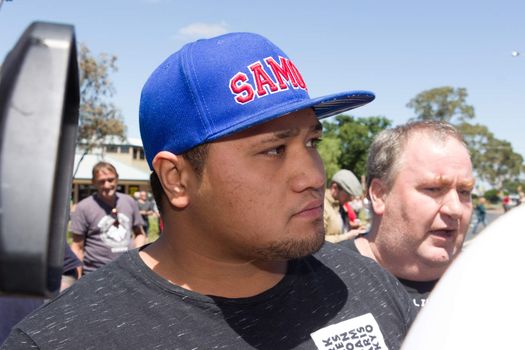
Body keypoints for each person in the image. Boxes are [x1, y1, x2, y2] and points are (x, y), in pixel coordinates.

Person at [2, 32, 416, 349]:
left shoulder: (369, 287)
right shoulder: (66, 338)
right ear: (176, 179)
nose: (312, 174)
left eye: (311, 142)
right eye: (273, 149)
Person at [341, 121, 474, 309]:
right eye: (434, 188)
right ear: (380, 195)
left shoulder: (491, 283)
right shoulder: (324, 278)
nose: (455, 209)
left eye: (464, 192)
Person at [69, 161, 146, 275]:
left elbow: (139, 233)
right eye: (101, 181)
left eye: (110, 180)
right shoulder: (84, 207)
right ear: (93, 182)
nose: (107, 185)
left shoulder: (129, 201)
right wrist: (78, 278)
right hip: (96, 273)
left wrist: (137, 259)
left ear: (117, 179)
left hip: (129, 271)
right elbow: (77, 247)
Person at [324, 169, 366, 243]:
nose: (350, 199)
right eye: (348, 194)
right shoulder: (321, 207)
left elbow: (337, 227)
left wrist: (351, 227)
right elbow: (318, 242)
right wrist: (347, 236)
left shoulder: (339, 204)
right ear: (335, 188)